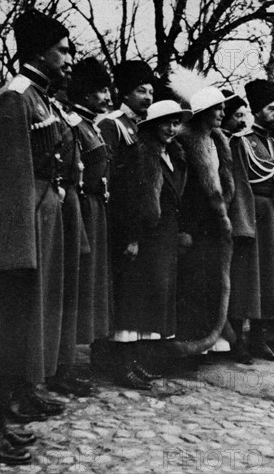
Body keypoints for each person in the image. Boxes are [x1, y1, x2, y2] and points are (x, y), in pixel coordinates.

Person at [0, 8, 71, 465]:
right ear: (39, 52)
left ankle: (1, 423)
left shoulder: (41, 98)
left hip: (36, 222)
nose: (68, 59)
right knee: (1, 328)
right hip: (16, 229)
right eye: (62, 51)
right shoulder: (15, 99)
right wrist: (16, 250)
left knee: (20, 328)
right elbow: (7, 179)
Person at [112, 100, 190, 377]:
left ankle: (140, 361)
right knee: (134, 298)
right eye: (167, 123)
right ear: (153, 125)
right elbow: (130, 200)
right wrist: (132, 238)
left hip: (165, 235)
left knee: (154, 296)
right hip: (144, 235)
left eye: (176, 123)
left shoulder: (174, 155)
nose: (172, 128)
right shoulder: (139, 154)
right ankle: (123, 364)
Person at [168, 68, 235, 361]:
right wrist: (186, 228)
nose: (222, 113)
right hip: (194, 223)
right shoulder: (185, 139)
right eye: (216, 108)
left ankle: (209, 341)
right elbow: (182, 189)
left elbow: (223, 181)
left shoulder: (218, 140)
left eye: (222, 108)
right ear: (202, 112)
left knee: (209, 283)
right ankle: (187, 345)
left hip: (213, 224)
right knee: (191, 284)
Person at [97, 60, 155, 389]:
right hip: (119, 223)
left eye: (149, 91)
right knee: (119, 293)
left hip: (138, 223)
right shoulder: (113, 125)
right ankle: (113, 361)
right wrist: (127, 233)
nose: (146, 97)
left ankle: (128, 359)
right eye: (139, 90)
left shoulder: (141, 127)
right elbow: (114, 184)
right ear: (124, 93)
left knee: (133, 294)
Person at [61, 57, 113, 394]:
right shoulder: (74, 123)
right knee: (72, 289)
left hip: (95, 211)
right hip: (78, 208)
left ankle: (66, 364)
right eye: (102, 91)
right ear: (86, 93)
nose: (108, 97)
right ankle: (60, 367)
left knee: (87, 290)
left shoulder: (92, 124)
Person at [229, 78, 274, 363]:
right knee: (246, 280)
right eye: (270, 108)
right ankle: (238, 341)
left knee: (269, 279)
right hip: (251, 216)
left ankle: (259, 339)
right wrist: (243, 225)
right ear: (256, 110)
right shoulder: (241, 142)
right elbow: (239, 184)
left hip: (272, 217)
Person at [46, 51, 94, 398]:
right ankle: (48, 371)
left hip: (68, 205)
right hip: (57, 205)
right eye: (62, 52)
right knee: (54, 294)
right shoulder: (34, 104)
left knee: (67, 293)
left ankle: (61, 367)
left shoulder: (64, 114)